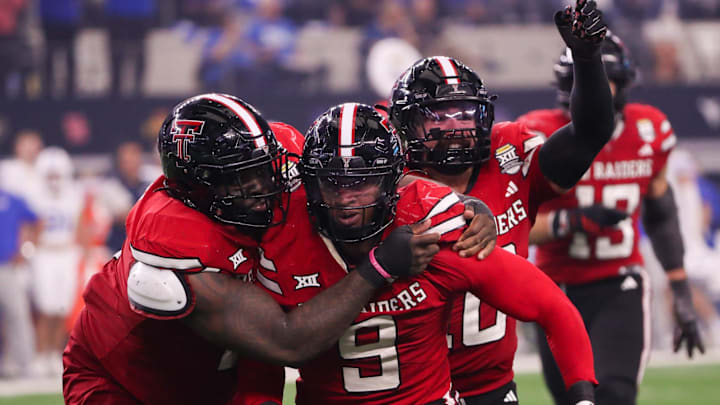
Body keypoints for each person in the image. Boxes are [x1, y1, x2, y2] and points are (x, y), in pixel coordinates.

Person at [62, 93, 446, 405]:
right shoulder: (173, 244)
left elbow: (358, 169)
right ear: (199, 189)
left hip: (225, 367)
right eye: (242, 180)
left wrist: (451, 201)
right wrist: (378, 268)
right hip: (125, 378)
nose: (265, 186)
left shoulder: (282, 151)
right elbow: (286, 341)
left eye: (263, 168)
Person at [243, 103, 598, 405]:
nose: (346, 196)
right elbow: (262, 357)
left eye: (361, 180)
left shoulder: (431, 226)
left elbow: (551, 306)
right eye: (333, 180)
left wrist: (582, 395)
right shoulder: (282, 236)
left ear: (392, 181)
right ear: (310, 182)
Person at [385, 1, 615, 403]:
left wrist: (587, 58)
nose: (455, 128)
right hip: (411, 388)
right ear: (407, 126)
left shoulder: (510, 156)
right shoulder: (388, 182)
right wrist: (459, 205)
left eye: (465, 114)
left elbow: (590, 133)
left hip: (490, 384)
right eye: (438, 117)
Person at [517, 33, 704, 405]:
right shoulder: (537, 133)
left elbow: (661, 212)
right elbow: (512, 221)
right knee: (575, 398)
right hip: (555, 289)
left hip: (619, 282)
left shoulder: (649, 129)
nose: (597, 91)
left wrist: (680, 288)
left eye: (607, 80)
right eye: (585, 81)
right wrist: (569, 222)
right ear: (566, 85)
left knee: (615, 394)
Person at [29, 147, 85, 377]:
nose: (53, 180)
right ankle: (40, 354)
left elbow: (81, 227)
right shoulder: (34, 195)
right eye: (49, 175)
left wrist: (82, 250)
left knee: (62, 307)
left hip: (67, 253)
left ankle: (54, 353)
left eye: (57, 174)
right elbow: (31, 228)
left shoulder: (74, 194)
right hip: (44, 254)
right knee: (46, 307)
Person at [0, 176, 40, 378]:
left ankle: (25, 364)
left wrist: (26, 249)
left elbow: (35, 219)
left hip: (7, 266)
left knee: (17, 315)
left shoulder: (10, 198)